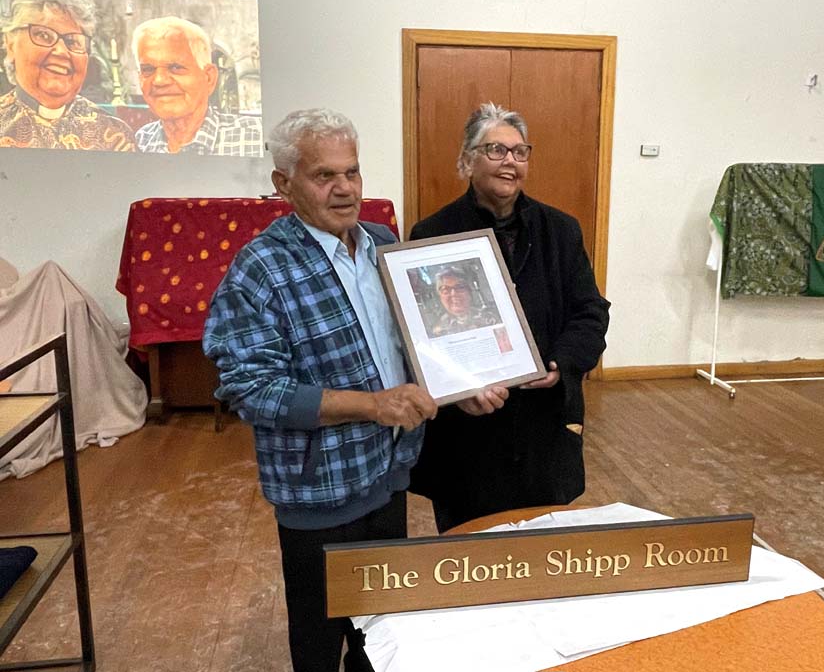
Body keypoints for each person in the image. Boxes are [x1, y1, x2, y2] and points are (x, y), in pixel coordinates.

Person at [203, 108, 505, 672]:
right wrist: (373, 405)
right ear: (283, 184)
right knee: (319, 639)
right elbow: (252, 390)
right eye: (324, 176)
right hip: (317, 490)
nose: (344, 189)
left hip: (387, 473)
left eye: (353, 172)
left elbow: (412, 344)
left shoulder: (382, 244)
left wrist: (455, 386)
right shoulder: (259, 270)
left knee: (380, 631)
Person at [409, 102, 611, 533]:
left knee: (545, 555)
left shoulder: (561, 230)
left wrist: (560, 364)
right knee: (470, 556)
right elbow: (423, 336)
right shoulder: (432, 235)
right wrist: (459, 387)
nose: (510, 162)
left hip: (544, 425)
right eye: (495, 150)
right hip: (468, 431)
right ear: (467, 161)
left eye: (520, 153)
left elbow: (590, 312)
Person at [0, 0, 135, 150]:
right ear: (10, 44)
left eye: (73, 41)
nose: (62, 52)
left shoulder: (115, 136)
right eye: (43, 35)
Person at [131, 16, 263, 156]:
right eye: (148, 69)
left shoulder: (256, 137)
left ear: (209, 78)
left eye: (176, 67)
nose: (159, 80)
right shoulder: (138, 142)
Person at [430, 265, 498, 336]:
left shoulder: (489, 319)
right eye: (446, 290)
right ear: (440, 297)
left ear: (469, 292)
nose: (454, 294)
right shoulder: (437, 330)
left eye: (459, 287)